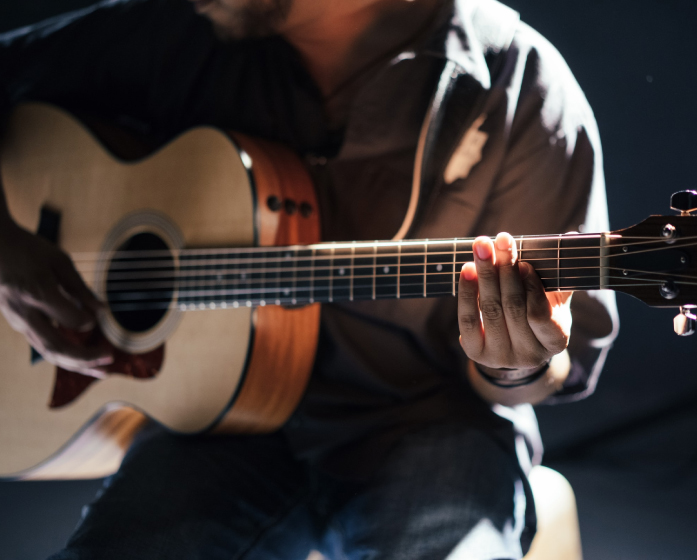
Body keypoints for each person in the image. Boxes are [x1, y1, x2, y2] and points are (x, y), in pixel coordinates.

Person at [0, 0, 618, 558]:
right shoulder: (179, 32)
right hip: (215, 429)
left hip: (432, 426)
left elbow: (555, 365)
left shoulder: (519, 82)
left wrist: (515, 361)